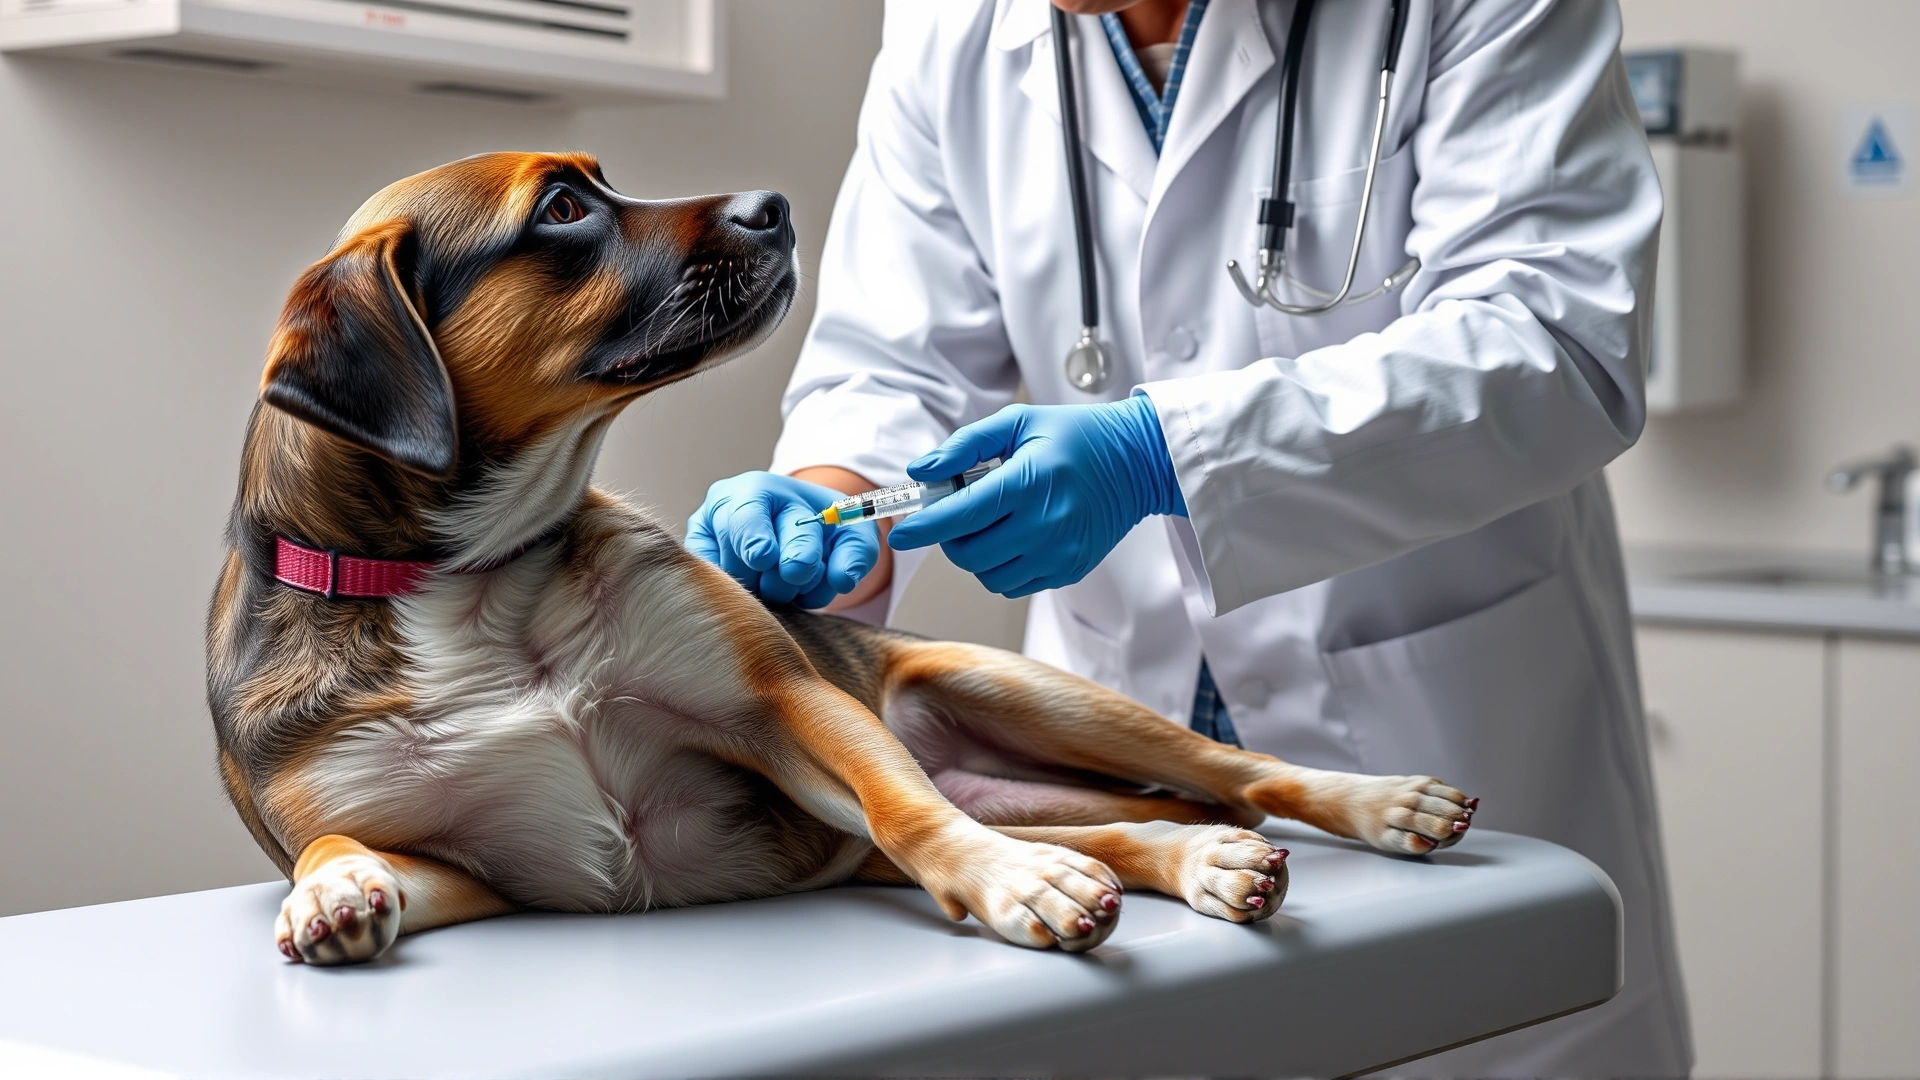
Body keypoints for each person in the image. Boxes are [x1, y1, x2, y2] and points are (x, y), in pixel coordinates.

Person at [687, 0, 1690, 1074]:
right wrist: (827, 506)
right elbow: (892, 369)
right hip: (1106, 761)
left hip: (1435, 727)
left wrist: (1162, 455)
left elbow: (1556, 340)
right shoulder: (955, 26)